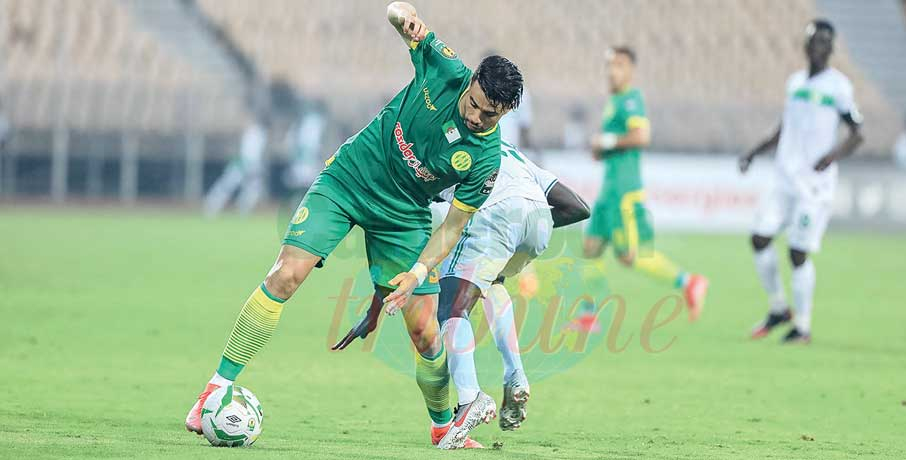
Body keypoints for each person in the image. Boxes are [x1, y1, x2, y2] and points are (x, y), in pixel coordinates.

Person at [184, 2, 524, 450]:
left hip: (404, 215)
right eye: (476, 106)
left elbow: (453, 227)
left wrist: (417, 275)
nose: (477, 118)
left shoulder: (485, 159)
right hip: (348, 179)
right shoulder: (444, 68)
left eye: (491, 116)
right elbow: (395, 12)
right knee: (286, 274)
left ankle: (444, 426)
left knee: (424, 329)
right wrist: (405, 17)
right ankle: (212, 391)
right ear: (472, 82)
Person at [332, 141, 590, 442]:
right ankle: (515, 374)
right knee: (491, 281)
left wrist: (376, 305)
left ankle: (470, 400)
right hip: (537, 220)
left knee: (451, 306)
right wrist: (520, 225)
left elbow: (407, 239)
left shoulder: (437, 155)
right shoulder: (507, 149)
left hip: (494, 214)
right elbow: (578, 207)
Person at [739, 19, 863, 344]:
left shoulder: (839, 87)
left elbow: (857, 134)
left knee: (797, 251)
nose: (818, 47)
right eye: (814, 41)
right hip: (784, 178)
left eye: (824, 42)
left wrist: (831, 157)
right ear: (806, 45)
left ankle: (803, 326)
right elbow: (785, 129)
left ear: (831, 48)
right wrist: (753, 152)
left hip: (814, 186)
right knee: (759, 238)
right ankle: (779, 308)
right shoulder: (794, 83)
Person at [575, 46, 709, 332]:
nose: (613, 70)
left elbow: (641, 136)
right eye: (610, 64)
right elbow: (615, 142)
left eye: (620, 65)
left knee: (628, 256)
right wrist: (600, 148)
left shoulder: (632, 100)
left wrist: (607, 143)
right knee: (591, 247)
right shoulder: (614, 101)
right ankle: (588, 316)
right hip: (608, 189)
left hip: (624, 190)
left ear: (631, 70)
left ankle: (689, 282)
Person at [203, 113, 268, 217]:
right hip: (242, 165)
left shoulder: (258, 132)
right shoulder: (255, 132)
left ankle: (241, 209)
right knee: (227, 186)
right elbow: (249, 153)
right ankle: (212, 205)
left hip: (249, 165)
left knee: (252, 189)